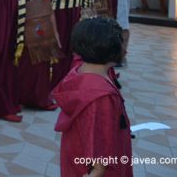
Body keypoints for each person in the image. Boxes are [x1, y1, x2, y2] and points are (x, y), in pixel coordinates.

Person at [53, 17, 132, 177]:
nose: (126, 49)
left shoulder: (80, 71)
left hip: (76, 156)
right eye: (122, 43)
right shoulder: (100, 95)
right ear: (109, 49)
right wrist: (98, 170)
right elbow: (97, 138)